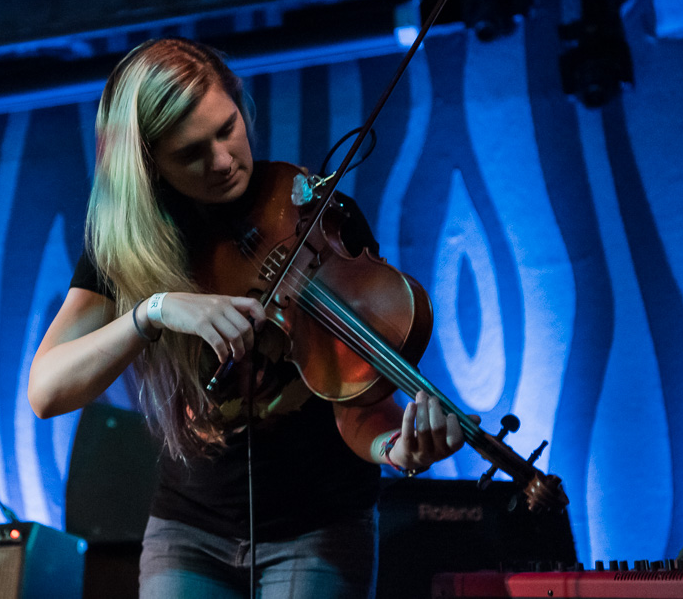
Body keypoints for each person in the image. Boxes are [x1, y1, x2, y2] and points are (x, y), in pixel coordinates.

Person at [28, 37, 471, 598]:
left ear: (240, 105)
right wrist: (153, 311)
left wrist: (396, 449)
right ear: (150, 164)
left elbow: (358, 400)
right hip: (187, 533)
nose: (222, 161)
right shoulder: (133, 247)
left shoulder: (316, 218)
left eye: (227, 129)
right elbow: (46, 391)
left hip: (318, 529)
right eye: (189, 153)